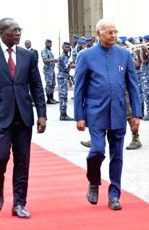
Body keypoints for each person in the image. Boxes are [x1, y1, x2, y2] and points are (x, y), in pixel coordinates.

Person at [0, 17, 47, 219]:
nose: (18, 33)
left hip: (23, 116)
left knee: (22, 161)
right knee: (0, 157)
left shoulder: (28, 56)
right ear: (2, 32)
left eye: (19, 29)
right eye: (14, 30)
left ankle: (18, 203)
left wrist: (41, 114)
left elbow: (36, 86)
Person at [74, 19, 142, 210]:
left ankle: (114, 194)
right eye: (109, 32)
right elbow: (79, 88)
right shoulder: (86, 56)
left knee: (117, 155)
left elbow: (133, 86)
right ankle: (94, 181)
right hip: (95, 112)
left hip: (119, 112)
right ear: (99, 34)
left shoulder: (124, 55)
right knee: (97, 150)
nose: (113, 36)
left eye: (115, 32)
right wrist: (79, 116)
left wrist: (136, 113)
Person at [57, 42, 75, 121]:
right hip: (62, 77)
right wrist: (80, 64)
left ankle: (63, 113)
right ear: (62, 47)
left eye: (68, 47)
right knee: (63, 96)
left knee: (64, 96)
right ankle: (63, 115)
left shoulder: (66, 56)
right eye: (66, 47)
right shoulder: (63, 56)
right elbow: (69, 66)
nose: (67, 48)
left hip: (64, 76)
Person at [41, 39, 58, 104]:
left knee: (53, 84)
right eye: (48, 43)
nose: (50, 44)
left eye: (50, 43)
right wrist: (53, 59)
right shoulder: (44, 51)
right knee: (49, 84)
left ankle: (52, 98)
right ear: (45, 43)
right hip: (48, 70)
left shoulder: (49, 51)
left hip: (52, 70)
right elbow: (45, 61)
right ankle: (49, 99)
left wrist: (54, 60)